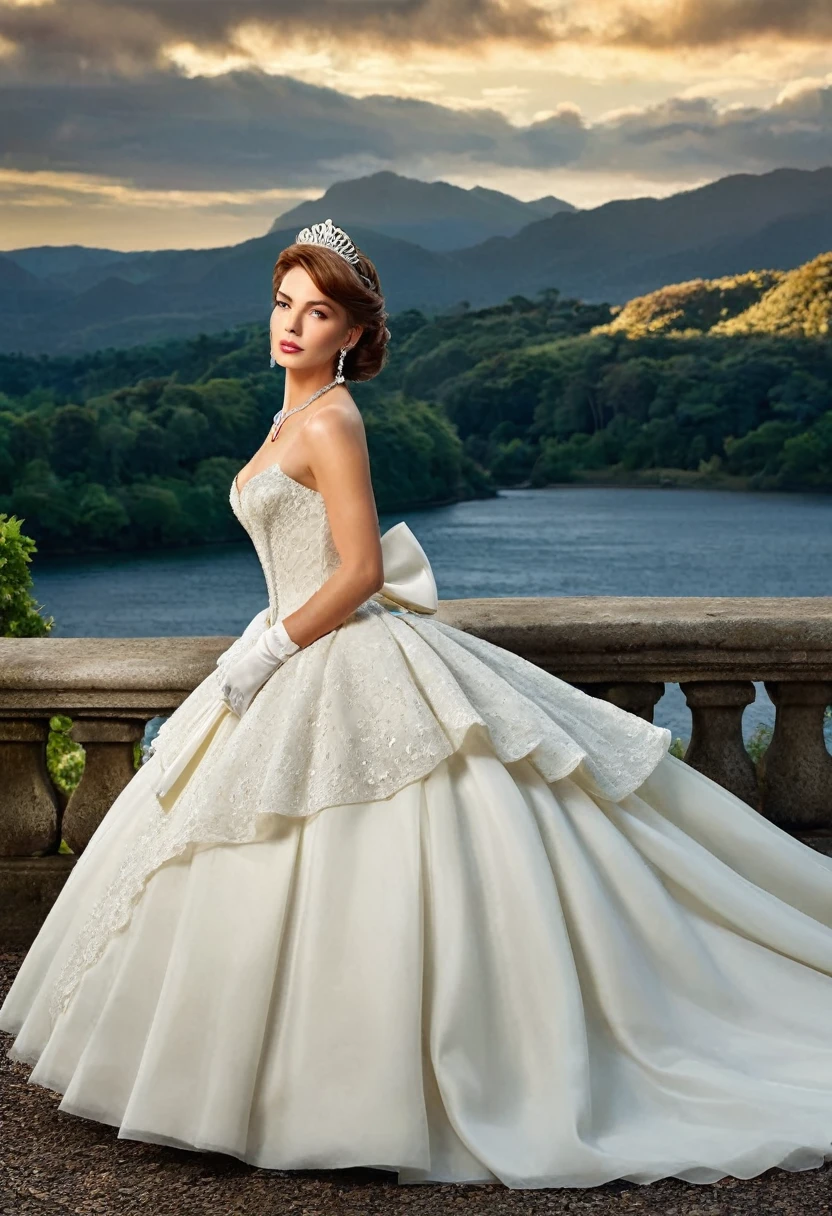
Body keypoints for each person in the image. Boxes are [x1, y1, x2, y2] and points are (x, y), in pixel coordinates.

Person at [1, 219, 831, 1191]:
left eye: (319, 311)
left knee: (371, 860)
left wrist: (271, 647)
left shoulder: (334, 418)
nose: (294, 325)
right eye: (284, 303)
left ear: (353, 331)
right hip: (290, 652)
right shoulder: (287, 417)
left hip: (322, 649)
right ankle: (217, 1084)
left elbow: (355, 569)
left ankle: (335, 1095)